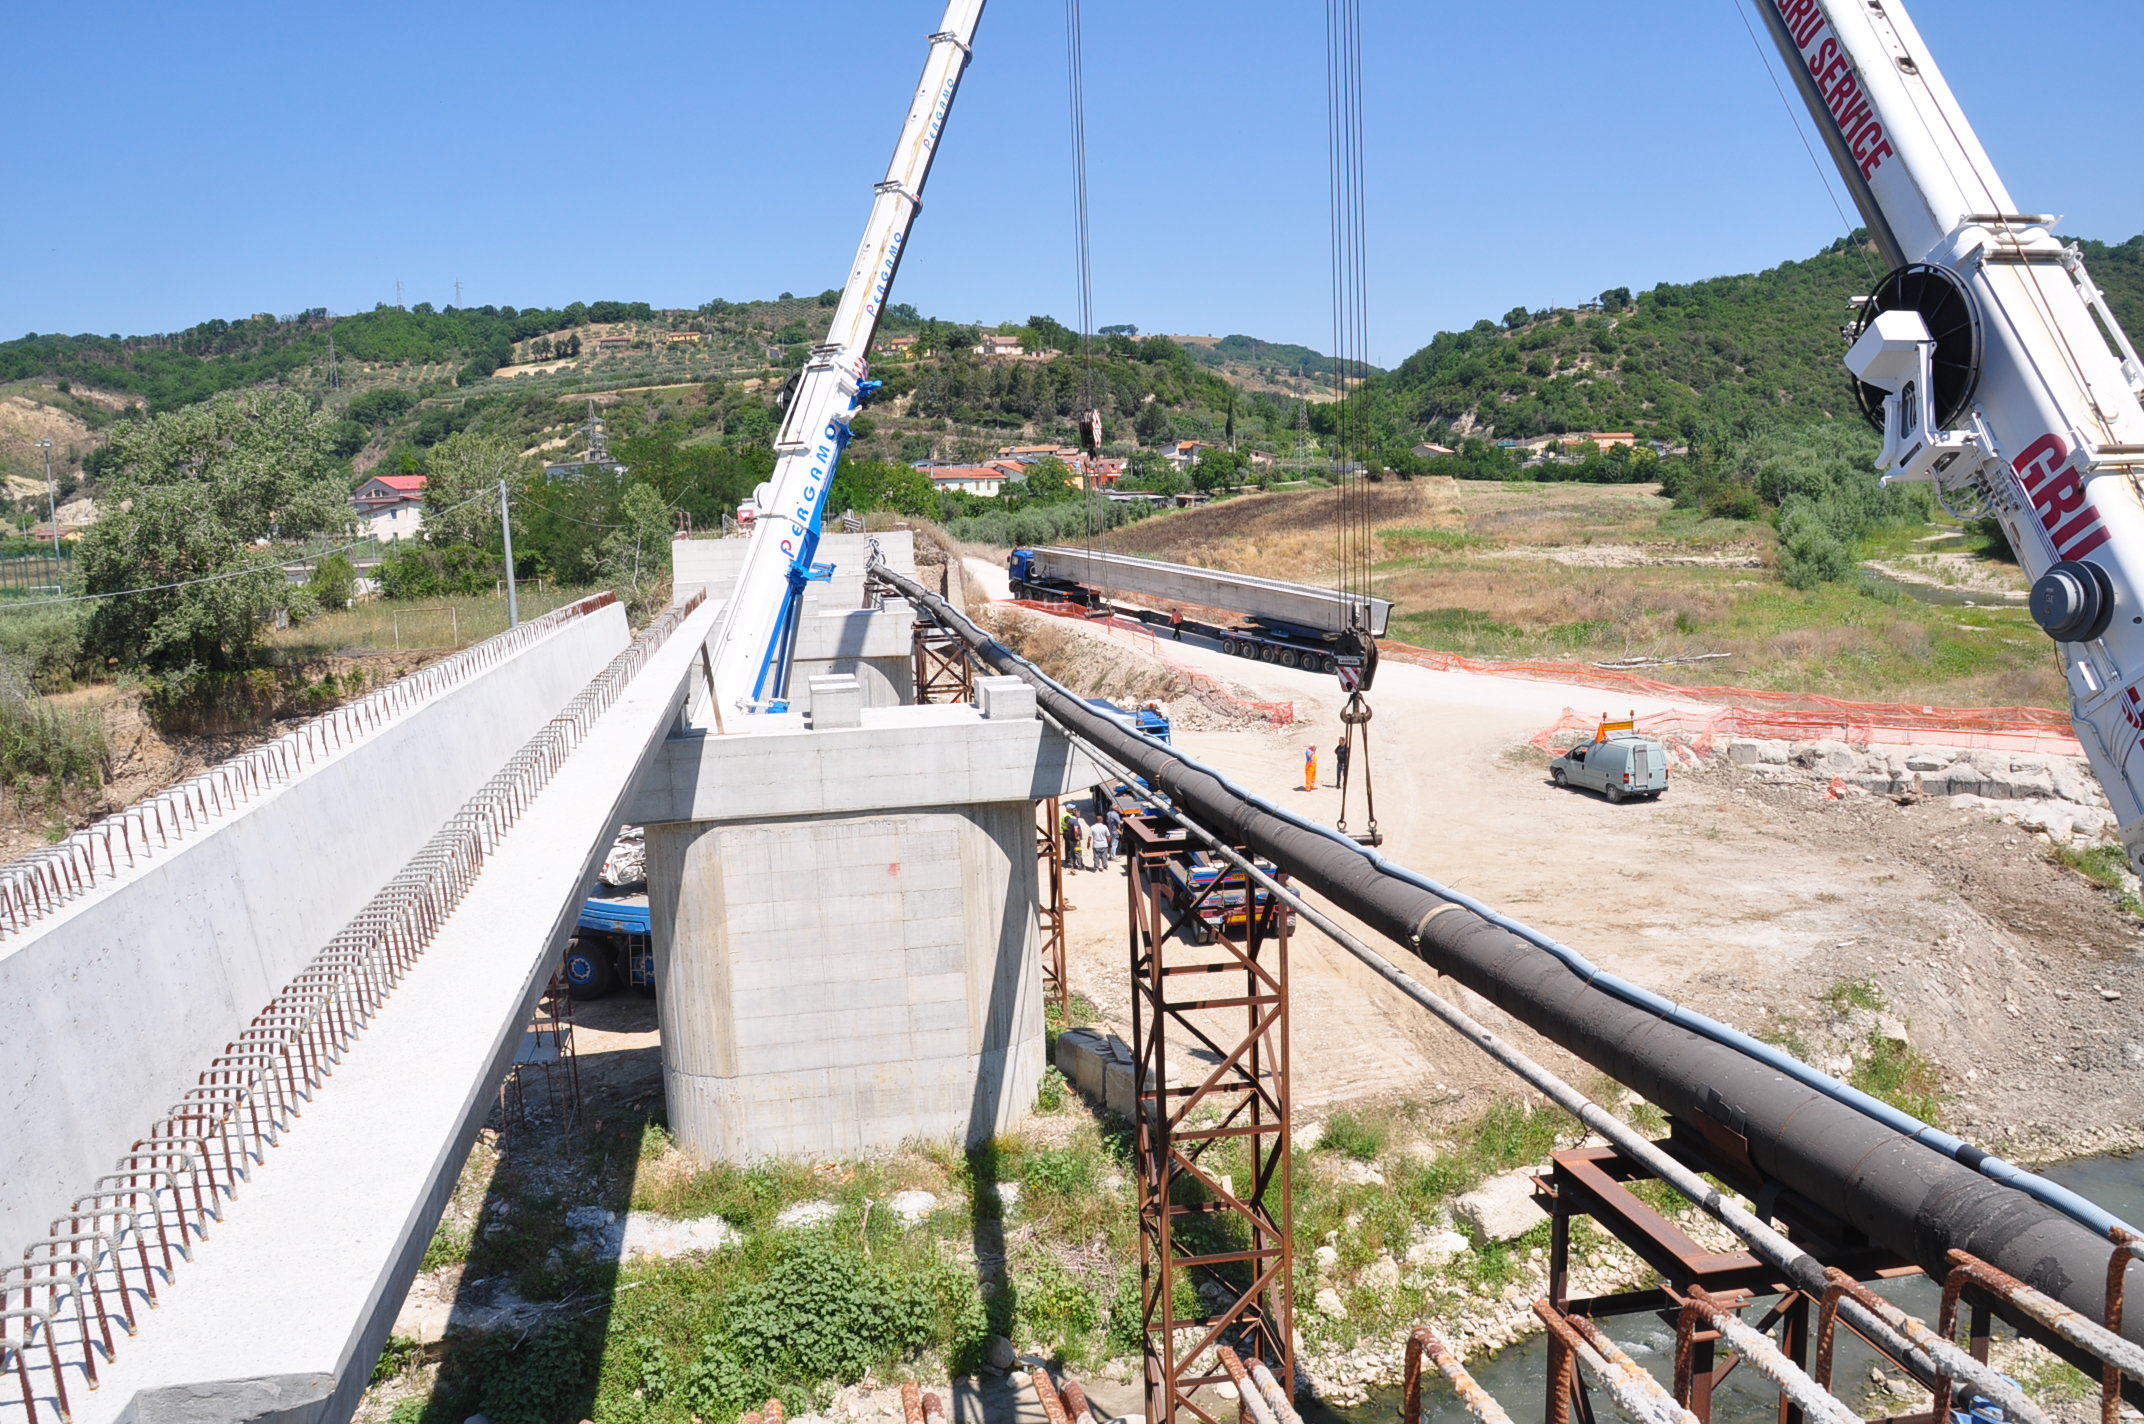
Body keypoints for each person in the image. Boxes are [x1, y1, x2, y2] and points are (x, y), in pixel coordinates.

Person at [1062, 807, 1084, 871]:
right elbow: (1076, 830)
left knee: (1072, 852)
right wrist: (1077, 837)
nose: (1079, 815)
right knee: (1078, 852)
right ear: (1076, 814)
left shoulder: (1069, 820)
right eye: (1079, 814)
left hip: (1070, 838)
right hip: (1075, 839)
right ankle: (1080, 865)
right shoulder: (1075, 821)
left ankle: (1073, 864)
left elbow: (1067, 827)